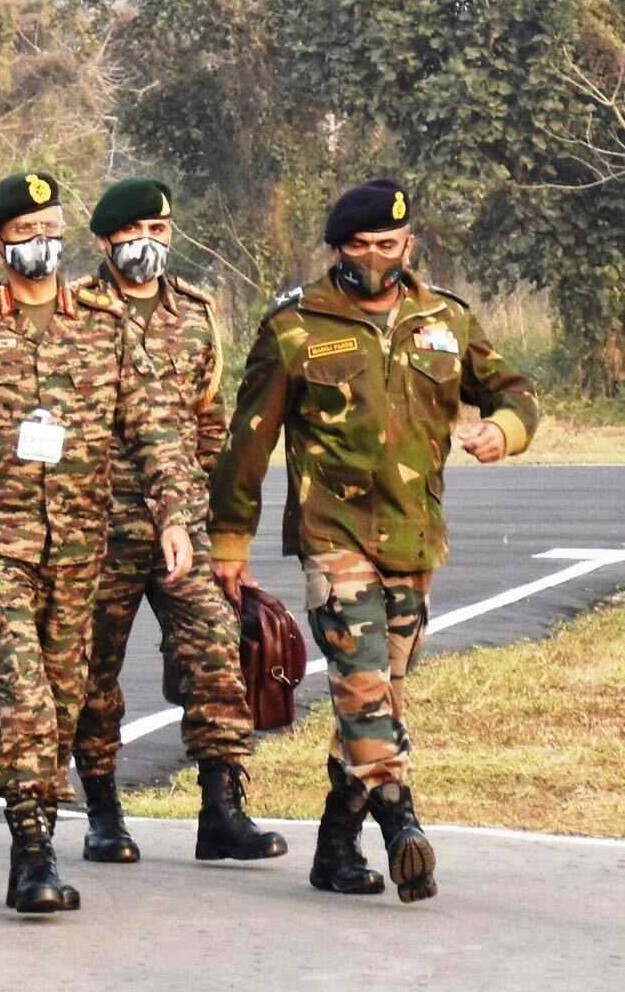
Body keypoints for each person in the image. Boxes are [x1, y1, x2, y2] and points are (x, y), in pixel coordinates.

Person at [208, 178, 539, 903]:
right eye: (358, 245)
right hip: (336, 537)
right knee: (363, 689)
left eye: (387, 245)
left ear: (409, 244)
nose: (374, 258)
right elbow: (247, 443)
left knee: (375, 699)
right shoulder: (294, 326)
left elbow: (517, 391)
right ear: (336, 249)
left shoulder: (445, 319)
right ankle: (401, 825)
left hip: (416, 539)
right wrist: (230, 537)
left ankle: (334, 846)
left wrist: (501, 431)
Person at [0, 171, 193, 914]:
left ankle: (43, 827)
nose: (42, 244)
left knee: (61, 696)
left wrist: (174, 513)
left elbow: (152, 426)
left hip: (83, 539)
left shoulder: (101, 322)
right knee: (24, 691)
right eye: (25, 233)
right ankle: (31, 854)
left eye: (52, 227)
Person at [72, 177, 287, 866]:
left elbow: (209, 423)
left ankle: (221, 808)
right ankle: (104, 811)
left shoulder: (195, 313)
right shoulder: (73, 313)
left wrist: (221, 531)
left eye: (160, 232)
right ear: (107, 240)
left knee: (218, 655)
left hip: (181, 527)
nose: (149, 245)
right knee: (90, 676)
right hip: (96, 528)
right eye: (135, 233)